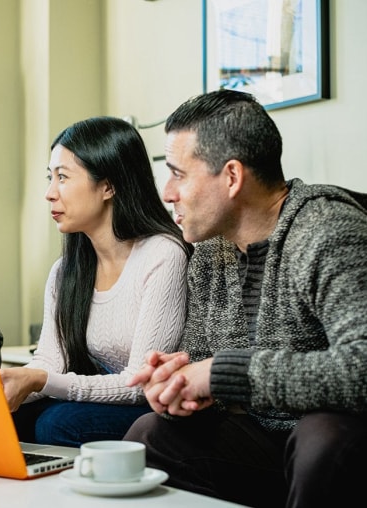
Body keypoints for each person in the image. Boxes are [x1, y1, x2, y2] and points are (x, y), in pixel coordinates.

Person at [124, 89, 367, 508]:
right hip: (264, 444)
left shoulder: (327, 231)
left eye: (178, 174)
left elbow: (361, 367)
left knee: (321, 438)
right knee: (149, 434)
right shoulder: (208, 253)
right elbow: (203, 368)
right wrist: (178, 390)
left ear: (232, 177)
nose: (167, 192)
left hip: (333, 443)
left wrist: (222, 373)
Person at [0, 116, 193, 447]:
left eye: (62, 177)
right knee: (7, 419)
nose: (49, 193)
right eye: (50, 178)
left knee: (58, 424)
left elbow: (139, 384)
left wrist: (40, 380)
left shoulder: (163, 254)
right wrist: (5, 388)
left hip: (149, 403)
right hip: (102, 394)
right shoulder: (65, 271)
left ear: (108, 186)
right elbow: (48, 361)